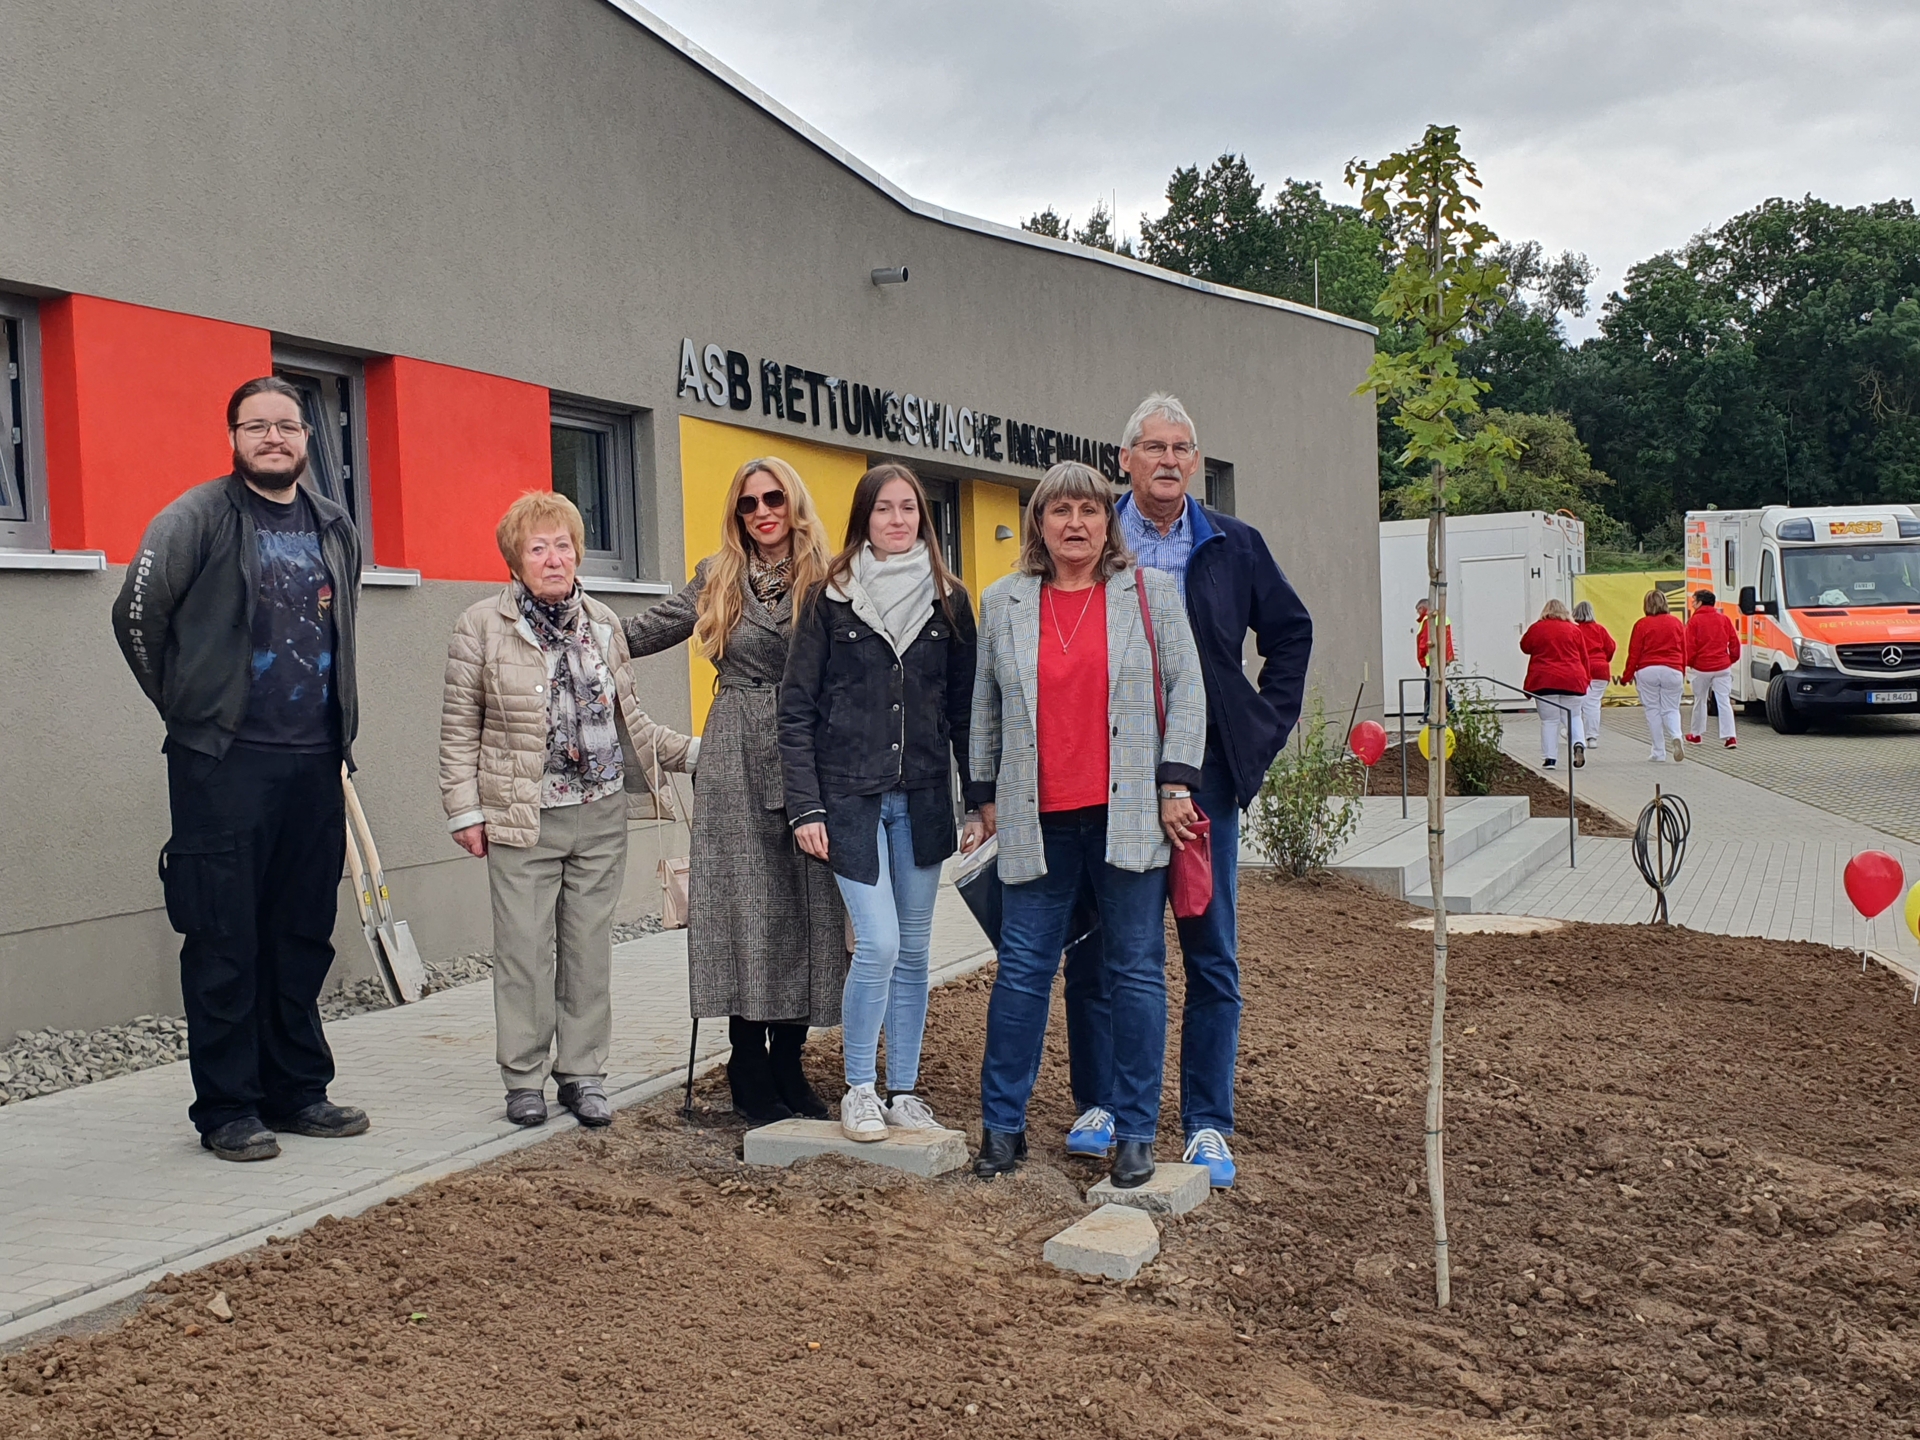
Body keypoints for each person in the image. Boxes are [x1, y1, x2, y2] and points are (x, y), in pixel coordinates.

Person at [110, 376, 369, 1162]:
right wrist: (190, 709)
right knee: (223, 937)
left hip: (314, 762)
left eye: (286, 425)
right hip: (222, 767)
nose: (273, 438)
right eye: (255, 426)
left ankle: (298, 1091)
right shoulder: (193, 518)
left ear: (306, 438)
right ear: (232, 437)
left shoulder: (333, 524)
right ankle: (228, 1108)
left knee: (301, 932)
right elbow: (134, 617)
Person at [1061, 394, 1313, 1190]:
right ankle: (1101, 1102)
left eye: (1182, 448)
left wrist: (1257, 730)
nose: (1168, 460)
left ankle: (1207, 1121)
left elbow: (1291, 633)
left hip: (1204, 784)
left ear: (1195, 462)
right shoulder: (1098, 544)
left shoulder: (1233, 546)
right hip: (1106, 781)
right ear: (1125, 459)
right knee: (1099, 947)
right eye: (1154, 447)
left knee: (1209, 950)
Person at [970, 461, 1207, 1189]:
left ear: (1110, 524)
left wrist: (1175, 783)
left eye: (1090, 511)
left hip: (1128, 818)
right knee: (1021, 973)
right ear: (1039, 523)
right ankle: (1001, 1126)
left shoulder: (1150, 594)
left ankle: (1135, 1131)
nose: (1075, 523)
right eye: (1059, 511)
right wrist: (982, 799)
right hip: (1036, 821)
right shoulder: (1004, 601)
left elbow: (1186, 689)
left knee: (1134, 972)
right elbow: (985, 709)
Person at [440, 491, 695, 1129]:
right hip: (523, 816)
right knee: (524, 952)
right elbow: (457, 731)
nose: (554, 559)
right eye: (539, 547)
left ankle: (584, 1075)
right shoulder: (481, 626)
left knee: (587, 951)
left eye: (563, 545)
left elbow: (630, 720)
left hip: (601, 811)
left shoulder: (603, 624)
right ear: (515, 560)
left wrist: (698, 753)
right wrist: (464, 811)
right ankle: (523, 1078)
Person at [624, 457, 846, 1124]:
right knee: (743, 906)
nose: (761, 512)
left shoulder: (828, 579)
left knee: (806, 904)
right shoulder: (714, 576)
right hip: (734, 756)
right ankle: (747, 1060)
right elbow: (637, 633)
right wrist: (567, 612)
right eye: (748, 503)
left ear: (794, 501)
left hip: (806, 751)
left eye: (773, 497)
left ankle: (790, 1060)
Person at [778, 463, 988, 1142]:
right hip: (850, 803)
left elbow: (966, 713)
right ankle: (860, 1089)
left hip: (924, 801)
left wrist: (979, 801)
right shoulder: (828, 599)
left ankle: (904, 1091)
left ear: (922, 520)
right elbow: (796, 711)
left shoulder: (950, 602)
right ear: (863, 518)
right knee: (880, 944)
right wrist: (806, 809)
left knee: (917, 952)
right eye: (884, 509)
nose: (897, 520)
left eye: (909, 509)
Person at [1618, 588, 1686, 763]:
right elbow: (1685, 650)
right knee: (1671, 709)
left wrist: (1627, 676)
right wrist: (1682, 671)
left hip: (1648, 670)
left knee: (1653, 710)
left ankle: (1658, 751)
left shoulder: (1641, 624)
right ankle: (1676, 736)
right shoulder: (1676, 623)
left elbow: (1634, 653)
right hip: (1673, 669)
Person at [1520, 599, 1589, 769]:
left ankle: (1550, 759)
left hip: (1545, 680)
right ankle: (1578, 743)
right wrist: (1586, 679)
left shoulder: (1538, 628)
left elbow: (1525, 647)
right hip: (1573, 679)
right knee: (1574, 716)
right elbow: (1584, 656)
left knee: (1550, 720)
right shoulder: (1574, 630)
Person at [1685, 588, 1741, 749]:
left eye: (1694, 600)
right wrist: (1730, 659)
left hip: (1701, 667)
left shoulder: (1694, 621)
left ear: (1700, 602)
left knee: (1700, 700)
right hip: (1722, 666)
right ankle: (1730, 737)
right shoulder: (1724, 619)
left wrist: (1690, 663)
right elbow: (1734, 644)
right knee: (1724, 701)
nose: (1693, 603)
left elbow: (1690, 646)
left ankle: (1696, 734)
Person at [1572, 600, 1616, 747]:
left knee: (1579, 702)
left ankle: (1575, 731)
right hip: (1601, 670)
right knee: (1594, 703)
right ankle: (1592, 737)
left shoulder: (1575, 630)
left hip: (1582, 669)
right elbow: (1611, 647)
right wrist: (1604, 660)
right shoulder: (1600, 629)